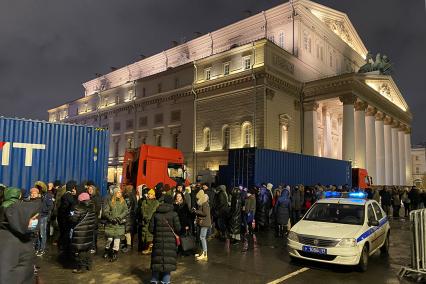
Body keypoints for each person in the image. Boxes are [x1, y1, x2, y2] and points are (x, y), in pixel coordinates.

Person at [0, 191, 41, 284]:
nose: (36, 222)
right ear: (23, 218)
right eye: (33, 219)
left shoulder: (22, 235)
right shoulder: (10, 240)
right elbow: (4, 277)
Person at [150, 194, 181, 284]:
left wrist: (158, 233)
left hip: (158, 241)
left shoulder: (156, 214)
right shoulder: (174, 214)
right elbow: (178, 228)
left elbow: (150, 229)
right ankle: (165, 281)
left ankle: (154, 280)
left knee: (157, 260)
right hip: (170, 242)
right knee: (168, 262)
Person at [70, 192, 96, 273]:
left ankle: (81, 268)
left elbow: (74, 219)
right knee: (87, 248)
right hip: (89, 231)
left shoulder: (78, 207)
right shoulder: (92, 207)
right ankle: (89, 265)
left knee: (80, 250)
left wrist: (70, 216)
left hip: (80, 232)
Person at [102, 187, 128, 262]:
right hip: (111, 224)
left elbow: (126, 211)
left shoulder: (123, 202)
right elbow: (106, 212)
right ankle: (106, 250)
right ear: (115, 193)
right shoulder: (110, 201)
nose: (120, 194)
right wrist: (111, 218)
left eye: (120, 192)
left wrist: (119, 217)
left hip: (119, 224)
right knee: (109, 239)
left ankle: (115, 254)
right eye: (119, 192)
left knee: (117, 240)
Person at [58, 181, 78, 253]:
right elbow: (72, 205)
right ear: (72, 188)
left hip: (62, 217)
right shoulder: (69, 196)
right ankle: (63, 247)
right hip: (66, 218)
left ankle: (61, 245)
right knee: (66, 233)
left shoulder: (65, 195)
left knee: (63, 232)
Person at [36, 181, 55, 256]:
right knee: (37, 233)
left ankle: (42, 249)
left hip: (43, 216)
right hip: (37, 216)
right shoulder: (39, 195)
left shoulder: (48, 195)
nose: (38, 189)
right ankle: (38, 248)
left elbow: (50, 206)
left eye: (39, 187)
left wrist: (43, 210)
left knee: (42, 233)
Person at [141, 189, 160, 255]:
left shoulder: (156, 202)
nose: (149, 195)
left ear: (154, 195)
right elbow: (142, 210)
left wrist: (149, 218)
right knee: (145, 235)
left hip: (152, 221)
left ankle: (149, 249)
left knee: (151, 236)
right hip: (145, 221)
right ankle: (148, 248)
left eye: (151, 194)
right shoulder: (144, 202)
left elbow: (153, 211)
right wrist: (145, 217)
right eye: (149, 194)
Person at [193, 190, 211, 261]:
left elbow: (205, 213)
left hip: (205, 223)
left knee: (202, 237)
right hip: (204, 222)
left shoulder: (204, 204)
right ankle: (202, 252)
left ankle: (204, 254)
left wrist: (196, 211)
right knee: (202, 237)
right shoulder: (204, 203)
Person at [122, 185, 137, 253]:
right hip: (132, 216)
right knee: (130, 231)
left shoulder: (127, 196)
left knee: (127, 231)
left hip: (128, 216)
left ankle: (128, 246)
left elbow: (127, 207)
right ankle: (129, 245)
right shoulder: (133, 195)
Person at [87, 183, 101, 254]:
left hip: (94, 218)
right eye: (89, 189)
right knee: (90, 233)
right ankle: (91, 247)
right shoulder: (89, 197)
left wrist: (91, 211)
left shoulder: (96, 197)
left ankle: (93, 247)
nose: (90, 190)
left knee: (93, 234)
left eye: (91, 189)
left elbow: (98, 208)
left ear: (94, 190)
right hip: (90, 218)